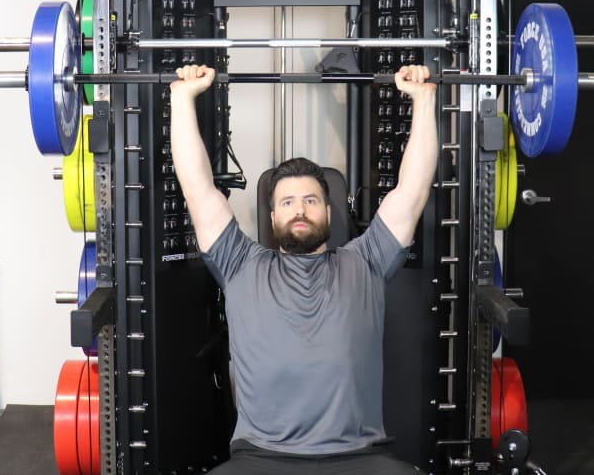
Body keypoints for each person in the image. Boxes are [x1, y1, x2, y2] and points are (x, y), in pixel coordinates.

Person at [170, 64, 438, 475]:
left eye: (311, 200)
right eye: (288, 202)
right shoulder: (240, 264)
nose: (299, 208)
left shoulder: (366, 260)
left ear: (328, 213)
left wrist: (424, 100)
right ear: (273, 217)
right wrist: (183, 98)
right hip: (260, 457)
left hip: (361, 456)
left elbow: (413, 189)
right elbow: (197, 187)